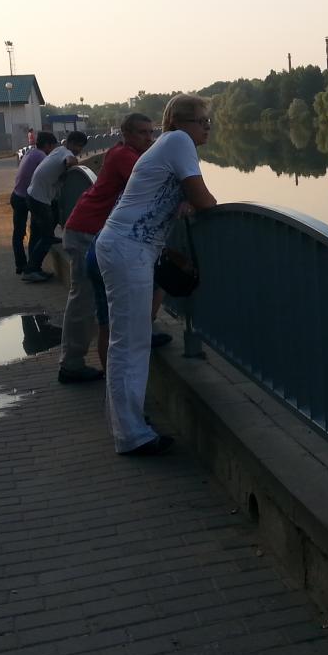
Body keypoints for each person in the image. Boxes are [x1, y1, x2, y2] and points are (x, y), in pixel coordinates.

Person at [95, 94, 217, 455]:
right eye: (202, 121)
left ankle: (125, 425)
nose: (207, 128)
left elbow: (177, 193)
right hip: (129, 248)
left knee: (126, 341)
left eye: (208, 122)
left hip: (126, 246)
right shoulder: (178, 141)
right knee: (130, 344)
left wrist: (182, 200)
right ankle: (131, 435)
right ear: (179, 122)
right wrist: (198, 201)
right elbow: (204, 199)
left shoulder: (167, 143)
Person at [56, 112, 155, 383]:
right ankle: (70, 365)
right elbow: (151, 184)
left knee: (92, 296)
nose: (149, 138)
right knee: (83, 300)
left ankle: (142, 332)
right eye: (142, 133)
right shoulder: (125, 155)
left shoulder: (125, 153)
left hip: (92, 231)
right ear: (126, 134)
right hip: (85, 232)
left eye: (151, 132)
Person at [22, 130, 87, 282]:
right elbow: (69, 161)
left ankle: (32, 267)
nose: (79, 150)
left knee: (38, 233)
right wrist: (74, 163)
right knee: (46, 237)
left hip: (33, 195)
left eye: (81, 147)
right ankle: (31, 270)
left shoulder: (59, 150)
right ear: (70, 143)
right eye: (78, 146)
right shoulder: (66, 153)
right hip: (39, 199)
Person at [10, 131, 58, 275]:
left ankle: (21, 265)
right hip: (26, 198)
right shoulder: (42, 157)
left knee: (19, 233)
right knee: (36, 231)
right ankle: (32, 267)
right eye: (53, 147)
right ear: (47, 145)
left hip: (16, 195)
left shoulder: (31, 152)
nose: (53, 150)